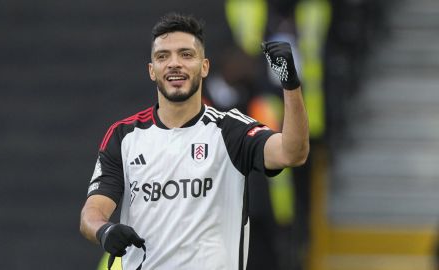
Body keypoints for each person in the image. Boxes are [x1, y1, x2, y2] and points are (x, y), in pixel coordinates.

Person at [79, 13, 309, 270]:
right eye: (163, 56)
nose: (174, 64)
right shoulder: (123, 136)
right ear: (151, 70)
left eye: (186, 55)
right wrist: (105, 231)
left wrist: (290, 85)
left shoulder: (230, 130)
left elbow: (293, 153)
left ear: (205, 66)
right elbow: (92, 213)